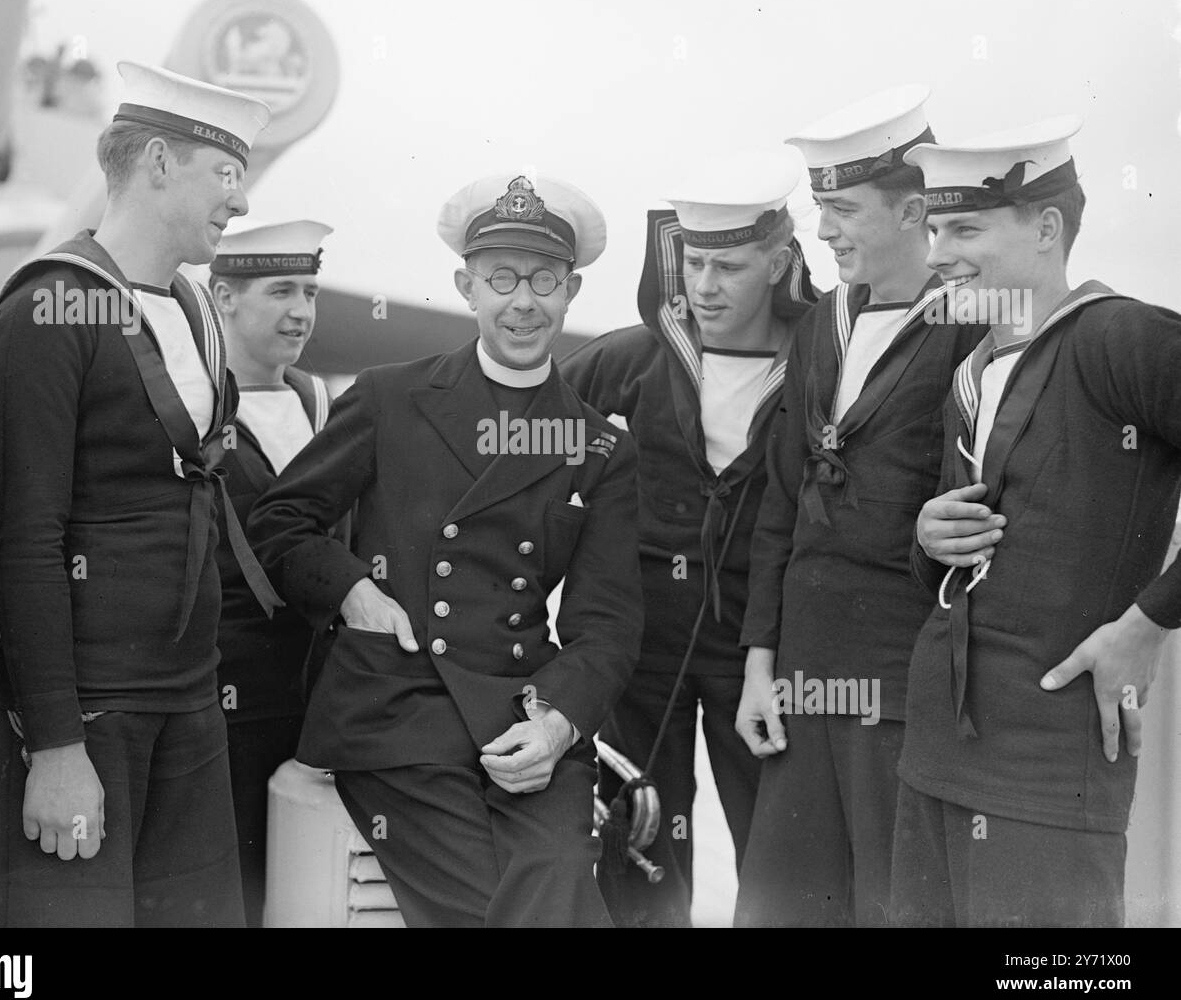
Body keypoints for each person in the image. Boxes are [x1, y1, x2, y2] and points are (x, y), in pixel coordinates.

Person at [249, 172, 643, 927]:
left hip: (521, 711)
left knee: (558, 869)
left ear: (572, 289)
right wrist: (351, 589)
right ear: (466, 285)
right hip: (396, 707)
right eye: (501, 278)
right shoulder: (390, 397)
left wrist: (558, 722)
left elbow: (608, 626)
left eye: (543, 280)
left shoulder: (599, 446)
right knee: (491, 903)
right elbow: (281, 519)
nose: (522, 301)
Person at [0, 62, 275, 927]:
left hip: (190, 695)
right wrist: (57, 743)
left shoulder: (195, 308)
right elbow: (25, 534)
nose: (240, 202)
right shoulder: (48, 309)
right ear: (154, 161)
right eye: (225, 174)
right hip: (90, 709)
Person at [892, 117, 1181, 927]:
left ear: (1047, 228)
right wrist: (927, 541)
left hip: (1050, 761)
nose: (938, 251)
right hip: (937, 753)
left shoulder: (1118, 336)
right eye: (936, 227)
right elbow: (961, 567)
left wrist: (1149, 622)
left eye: (966, 227)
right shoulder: (971, 369)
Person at [734, 86, 988, 926]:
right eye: (819, 208)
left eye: (840, 208)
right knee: (787, 899)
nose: (824, 230)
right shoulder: (820, 328)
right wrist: (760, 661)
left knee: (894, 899)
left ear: (915, 209)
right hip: (804, 665)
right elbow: (782, 503)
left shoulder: (974, 326)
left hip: (899, 668)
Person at [558, 151, 818, 926]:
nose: (704, 287)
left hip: (762, 642)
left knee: (775, 842)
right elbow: (528, 433)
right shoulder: (633, 357)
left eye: (729, 267)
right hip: (642, 642)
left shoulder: (820, 366)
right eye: (695, 262)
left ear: (778, 261)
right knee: (640, 830)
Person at [209, 219, 337, 927]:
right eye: (281, 289)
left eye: (311, 291)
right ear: (223, 296)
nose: (301, 311)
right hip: (231, 701)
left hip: (319, 696)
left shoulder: (323, 405)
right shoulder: (190, 407)